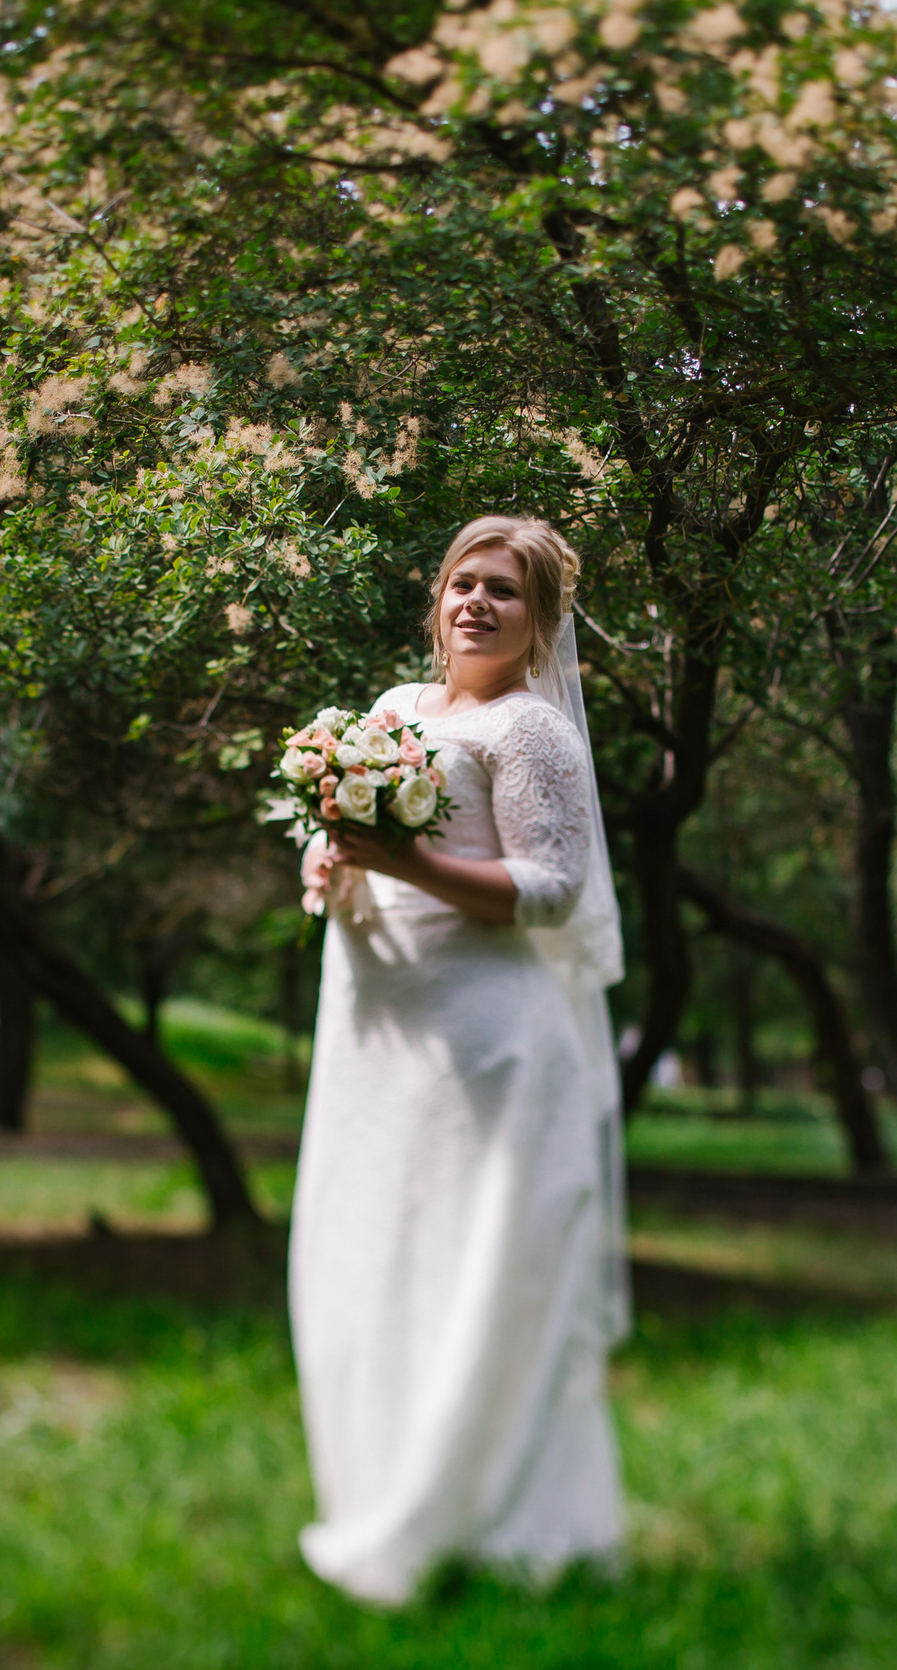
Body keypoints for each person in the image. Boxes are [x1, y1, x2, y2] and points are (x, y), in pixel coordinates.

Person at [289, 514, 629, 1605]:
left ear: (540, 622)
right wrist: (327, 856)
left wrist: (407, 859)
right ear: (435, 599)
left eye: (506, 591)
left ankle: (495, 1526)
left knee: (475, 1277)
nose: (477, 603)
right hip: (379, 1039)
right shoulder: (390, 713)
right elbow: (340, 827)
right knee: (382, 1266)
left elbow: (551, 890)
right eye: (462, 584)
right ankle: (380, 1487)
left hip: (487, 1048)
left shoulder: (533, 733)